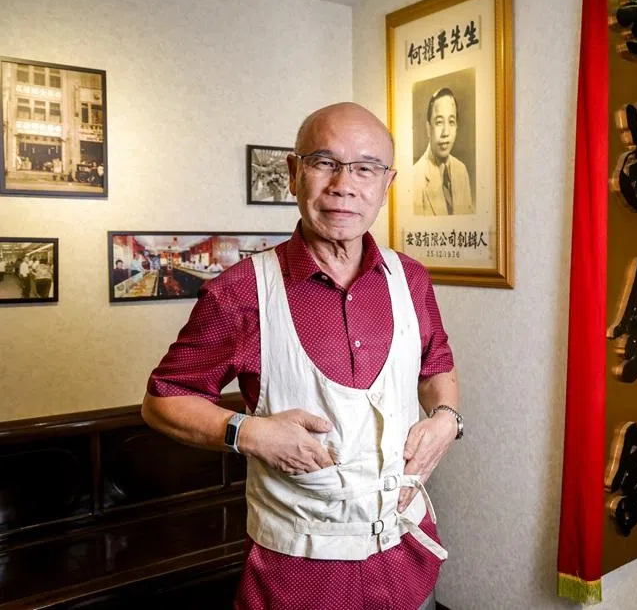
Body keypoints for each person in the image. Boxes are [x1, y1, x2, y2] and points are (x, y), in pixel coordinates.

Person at [142, 102, 461, 610]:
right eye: (324, 162)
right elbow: (162, 401)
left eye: (365, 168)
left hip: (406, 566)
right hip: (296, 576)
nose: (344, 184)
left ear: (386, 184)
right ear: (294, 173)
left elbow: (435, 365)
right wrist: (248, 432)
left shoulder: (411, 279)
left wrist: (446, 417)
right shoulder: (242, 291)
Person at [412, 87, 474, 216]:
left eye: (451, 122)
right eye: (439, 122)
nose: (446, 133)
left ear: (456, 126)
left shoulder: (461, 170)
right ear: (428, 128)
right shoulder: (414, 177)